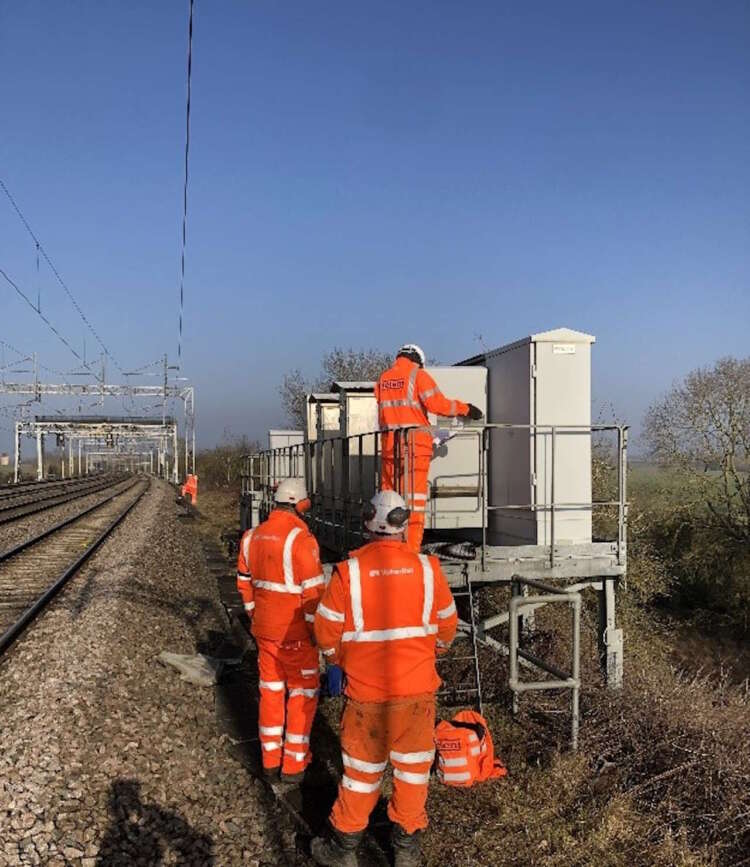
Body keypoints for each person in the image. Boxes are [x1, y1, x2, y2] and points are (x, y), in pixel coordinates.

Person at [311, 490, 458, 867]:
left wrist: (338, 660)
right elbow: (447, 626)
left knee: (361, 776)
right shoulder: (429, 570)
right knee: (412, 775)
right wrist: (431, 654)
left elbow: (325, 632)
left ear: (366, 522)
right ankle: (406, 851)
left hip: (367, 698)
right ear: (403, 525)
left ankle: (343, 849)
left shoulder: (350, 573)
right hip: (418, 695)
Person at [236, 477, 325, 782]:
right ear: (300, 505)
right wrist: (318, 636)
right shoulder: (302, 541)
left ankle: (270, 760)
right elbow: (313, 597)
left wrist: (253, 616)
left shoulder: (250, 537)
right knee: (302, 695)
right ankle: (294, 765)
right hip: (296, 635)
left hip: (264, 631)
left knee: (271, 692)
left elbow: (244, 583)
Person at [375, 343, 483, 551]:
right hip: (415, 448)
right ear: (418, 360)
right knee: (414, 503)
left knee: (388, 500)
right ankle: (410, 552)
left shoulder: (384, 378)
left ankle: (386, 548)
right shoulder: (418, 375)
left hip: (389, 447)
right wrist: (466, 408)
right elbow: (438, 405)